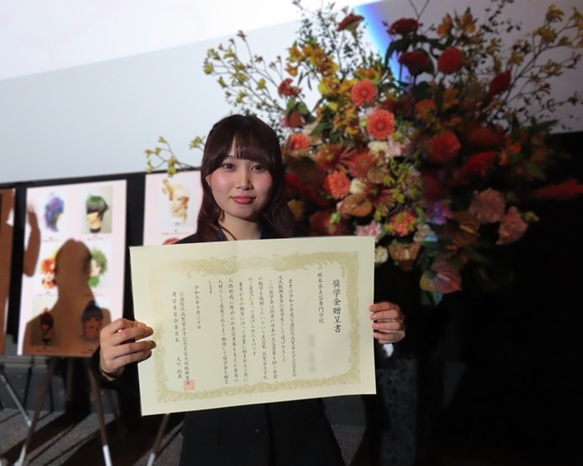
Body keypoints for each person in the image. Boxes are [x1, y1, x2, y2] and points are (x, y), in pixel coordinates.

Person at [97, 114, 405, 465]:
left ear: (275, 177)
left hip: (303, 448)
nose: (243, 182)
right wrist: (110, 365)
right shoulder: (170, 267)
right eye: (229, 166)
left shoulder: (312, 262)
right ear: (208, 175)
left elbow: (345, 347)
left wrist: (385, 335)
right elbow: (146, 367)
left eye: (258, 167)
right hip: (215, 452)